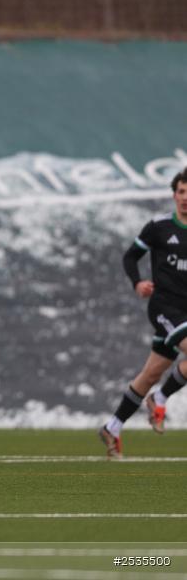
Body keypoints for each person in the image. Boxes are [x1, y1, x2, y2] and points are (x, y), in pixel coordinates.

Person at [100, 168, 187, 458]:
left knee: (150, 374)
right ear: (174, 195)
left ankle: (112, 427)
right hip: (165, 307)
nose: (185, 198)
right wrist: (137, 282)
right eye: (181, 192)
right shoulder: (159, 227)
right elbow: (130, 256)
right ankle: (160, 399)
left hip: (185, 314)